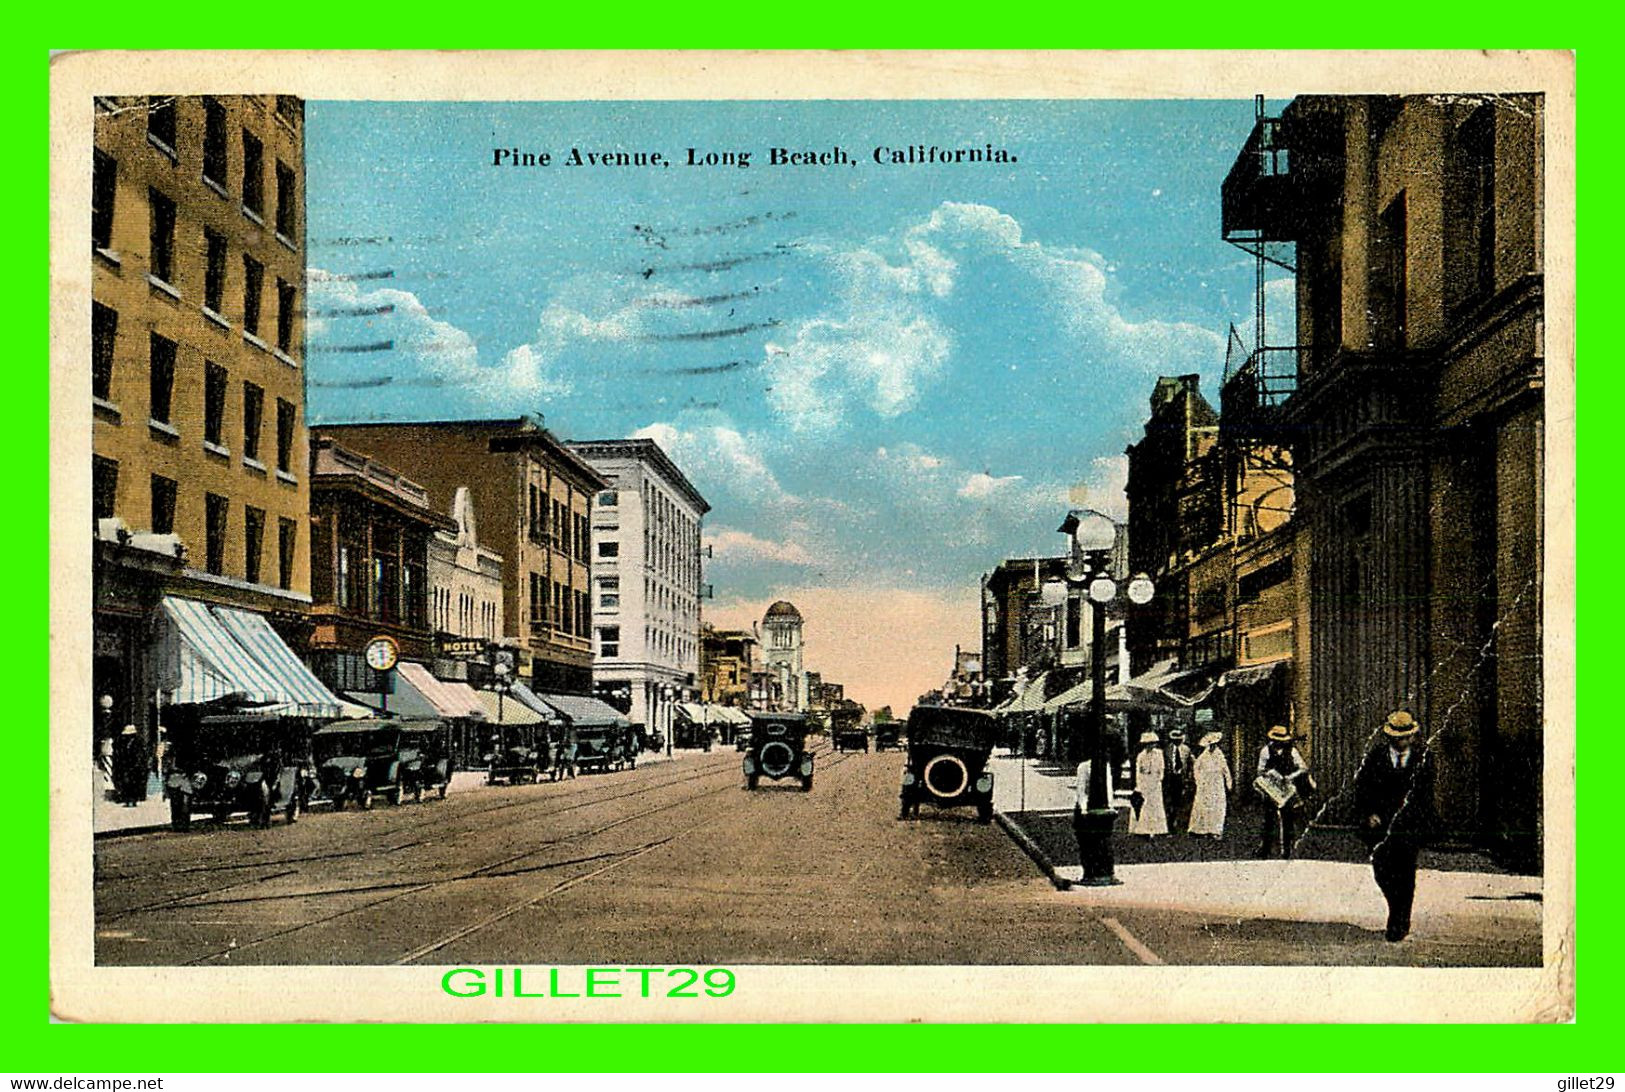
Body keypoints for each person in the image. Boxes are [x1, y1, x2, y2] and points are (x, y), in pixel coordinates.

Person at [1353, 710, 1438, 942]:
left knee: (1406, 874)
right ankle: (1395, 908)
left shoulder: (1424, 758)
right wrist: (1369, 813)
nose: (1402, 741)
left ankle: (1399, 921)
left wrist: (1421, 823)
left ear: (1412, 737)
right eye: (1398, 738)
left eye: (1407, 737)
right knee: (1382, 872)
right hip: (1380, 828)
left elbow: (1425, 795)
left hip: (1408, 827)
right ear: (1389, 738)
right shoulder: (1375, 757)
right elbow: (1362, 789)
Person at [1254, 725, 1313, 858]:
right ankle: (1265, 849)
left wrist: (1290, 777)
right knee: (1269, 819)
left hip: (1286, 789)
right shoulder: (1265, 751)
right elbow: (1260, 770)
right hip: (1271, 789)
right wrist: (1270, 773)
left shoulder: (1291, 750)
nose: (1279, 743)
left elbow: (1303, 767)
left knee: (1287, 819)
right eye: (1277, 740)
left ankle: (1286, 850)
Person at [1188, 731, 1232, 837]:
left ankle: (1216, 830)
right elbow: (1196, 767)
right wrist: (1198, 780)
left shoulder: (1219, 754)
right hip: (1206, 783)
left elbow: (1225, 769)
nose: (1212, 747)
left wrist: (1229, 782)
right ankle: (1202, 829)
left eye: (1214, 745)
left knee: (1218, 806)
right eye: (1211, 745)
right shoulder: (1204, 755)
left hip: (1217, 782)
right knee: (1204, 805)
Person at [1129, 731, 1168, 837]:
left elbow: (1161, 768)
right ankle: (1142, 828)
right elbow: (1138, 771)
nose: (1150, 746)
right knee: (1144, 804)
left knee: (1155, 804)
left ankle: (1156, 828)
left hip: (1155, 781)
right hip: (1144, 781)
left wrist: (1159, 779)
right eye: (1148, 744)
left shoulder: (1159, 754)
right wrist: (1139, 784)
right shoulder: (1141, 755)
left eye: (1152, 743)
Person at [1163, 728, 1195, 833]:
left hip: (1182, 778)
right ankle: (1170, 823)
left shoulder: (1186, 750)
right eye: (1175, 739)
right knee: (1169, 801)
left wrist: (1189, 777)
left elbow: (1192, 764)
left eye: (1179, 739)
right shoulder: (1167, 750)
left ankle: (1180, 822)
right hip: (1170, 778)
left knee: (1181, 801)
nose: (1177, 741)